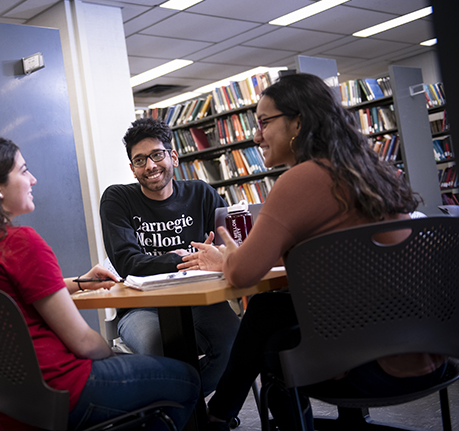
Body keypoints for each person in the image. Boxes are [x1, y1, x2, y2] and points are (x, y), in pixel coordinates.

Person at [179, 73, 448, 430]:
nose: (256, 135)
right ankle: (218, 415)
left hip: (376, 365)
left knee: (273, 344)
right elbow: (324, 256)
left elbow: (242, 274)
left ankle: (216, 416)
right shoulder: (368, 170)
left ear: (298, 122)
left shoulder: (301, 178)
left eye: (264, 122)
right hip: (431, 346)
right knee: (270, 307)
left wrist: (226, 258)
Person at [0, 134, 200, 431]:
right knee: (187, 378)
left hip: (7, 402)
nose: (34, 180)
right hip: (64, 390)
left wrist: (77, 283)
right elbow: (84, 343)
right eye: (24, 171)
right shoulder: (20, 243)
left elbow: (14, 293)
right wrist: (114, 355)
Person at [99, 118, 240, 395]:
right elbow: (128, 264)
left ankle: (192, 413)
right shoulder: (117, 199)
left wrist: (218, 256)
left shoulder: (201, 193)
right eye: (140, 160)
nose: (149, 165)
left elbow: (232, 248)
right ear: (132, 168)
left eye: (156, 155)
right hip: (142, 307)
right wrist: (186, 258)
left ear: (173, 156)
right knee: (164, 354)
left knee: (237, 344)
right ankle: (182, 412)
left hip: (202, 301)